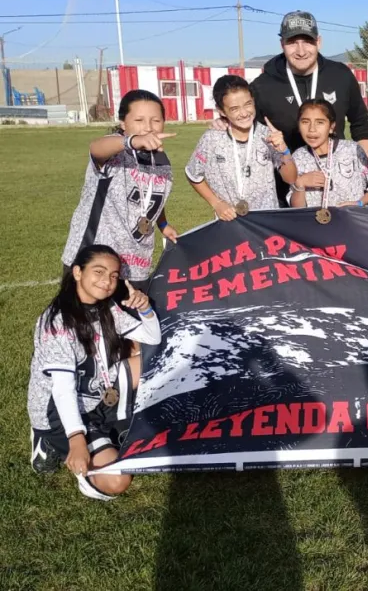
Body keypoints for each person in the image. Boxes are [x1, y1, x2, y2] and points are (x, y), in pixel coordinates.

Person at [213, 11, 368, 209]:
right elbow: (247, 123)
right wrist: (226, 122)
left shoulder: (340, 75)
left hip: (339, 180)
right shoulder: (263, 86)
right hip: (287, 185)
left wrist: (365, 165)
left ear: (319, 41)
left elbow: (359, 123)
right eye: (292, 42)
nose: (300, 51)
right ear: (282, 44)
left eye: (307, 41)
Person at [29, 245, 162, 500]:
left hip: (98, 392)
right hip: (61, 410)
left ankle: (112, 429)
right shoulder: (57, 322)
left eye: (113, 275)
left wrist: (145, 309)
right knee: (117, 481)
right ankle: (47, 439)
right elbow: (63, 388)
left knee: (154, 359)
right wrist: (77, 439)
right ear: (77, 272)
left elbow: (151, 338)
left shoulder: (106, 308)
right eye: (99, 272)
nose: (107, 281)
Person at [63, 90, 178, 291]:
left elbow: (152, 197)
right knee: (84, 321)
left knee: (133, 322)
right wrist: (131, 142)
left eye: (156, 120)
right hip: (95, 262)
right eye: (139, 120)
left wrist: (164, 224)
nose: (149, 127)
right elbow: (95, 148)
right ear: (123, 123)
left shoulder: (161, 159)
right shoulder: (114, 151)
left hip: (136, 264)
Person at [187, 75, 297, 220]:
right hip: (229, 224)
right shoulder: (212, 138)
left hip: (267, 224)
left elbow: (291, 178)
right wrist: (216, 203)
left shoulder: (268, 135)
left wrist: (284, 150)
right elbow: (193, 174)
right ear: (221, 111)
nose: (244, 113)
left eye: (248, 104)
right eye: (234, 109)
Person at [289, 99, 368, 211]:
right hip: (315, 226)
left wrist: (359, 203)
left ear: (331, 127)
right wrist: (300, 183)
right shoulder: (297, 157)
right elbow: (296, 208)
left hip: (351, 224)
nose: (312, 129)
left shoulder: (353, 149)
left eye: (320, 122)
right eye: (305, 122)